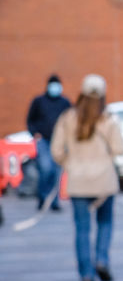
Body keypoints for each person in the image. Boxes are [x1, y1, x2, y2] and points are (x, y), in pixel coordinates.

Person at [50, 74, 123, 281]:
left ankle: (86, 273)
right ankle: (102, 259)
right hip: (104, 181)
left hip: (78, 180)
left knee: (82, 229)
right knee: (105, 223)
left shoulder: (67, 118)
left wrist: (70, 163)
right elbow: (119, 148)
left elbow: (56, 150)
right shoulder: (108, 119)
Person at [25, 74, 72, 211]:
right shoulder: (39, 101)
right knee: (46, 169)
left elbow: (71, 120)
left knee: (57, 172)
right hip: (44, 141)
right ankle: (42, 197)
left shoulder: (64, 102)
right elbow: (30, 120)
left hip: (60, 142)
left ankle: (53, 201)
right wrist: (35, 133)